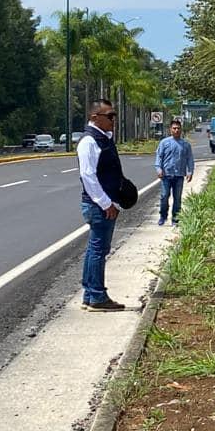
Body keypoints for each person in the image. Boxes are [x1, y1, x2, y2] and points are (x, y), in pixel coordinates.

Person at [77, 99, 127, 311]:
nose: (113, 120)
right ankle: (97, 296)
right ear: (94, 117)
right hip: (98, 205)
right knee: (98, 250)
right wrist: (106, 204)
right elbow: (88, 176)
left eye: (114, 116)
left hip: (101, 204)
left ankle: (90, 294)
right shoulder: (89, 141)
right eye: (110, 116)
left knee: (95, 249)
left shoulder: (103, 138)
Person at [154, 118, 194, 226]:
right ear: (170, 129)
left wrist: (190, 172)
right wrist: (159, 169)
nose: (176, 130)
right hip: (166, 175)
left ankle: (175, 219)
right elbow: (159, 157)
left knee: (177, 199)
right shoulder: (164, 143)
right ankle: (163, 216)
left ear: (181, 130)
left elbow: (190, 159)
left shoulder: (185, 145)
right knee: (164, 196)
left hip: (179, 176)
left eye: (178, 128)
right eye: (174, 128)